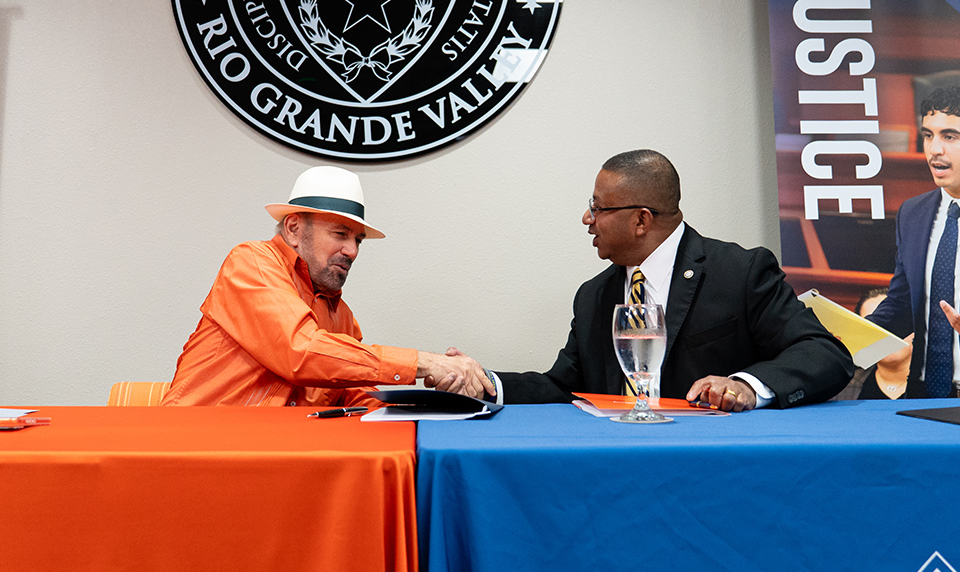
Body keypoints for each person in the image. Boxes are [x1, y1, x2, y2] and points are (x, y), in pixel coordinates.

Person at [488, 149, 854, 411]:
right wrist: (487, 382)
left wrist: (745, 386)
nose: (587, 218)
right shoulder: (594, 296)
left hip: (715, 464)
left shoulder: (739, 272)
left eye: (598, 208)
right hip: (614, 466)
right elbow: (565, 387)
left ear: (641, 220)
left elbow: (825, 355)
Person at [162, 166, 493, 407]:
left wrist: (438, 397)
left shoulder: (341, 317)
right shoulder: (252, 261)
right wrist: (425, 363)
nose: (352, 251)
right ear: (293, 228)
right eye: (340, 233)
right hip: (195, 450)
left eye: (357, 240)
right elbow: (302, 351)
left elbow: (361, 396)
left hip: (275, 460)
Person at [867, 86, 960, 398]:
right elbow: (902, 304)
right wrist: (851, 334)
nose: (934, 150)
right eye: (928, 135)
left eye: (949, 137)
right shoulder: (912, 213)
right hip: (922, 394)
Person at [831, 288, 912, 400]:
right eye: (873, 327)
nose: (885, 335)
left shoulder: (938, 385)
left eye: (892, 324)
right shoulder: (841, 388)